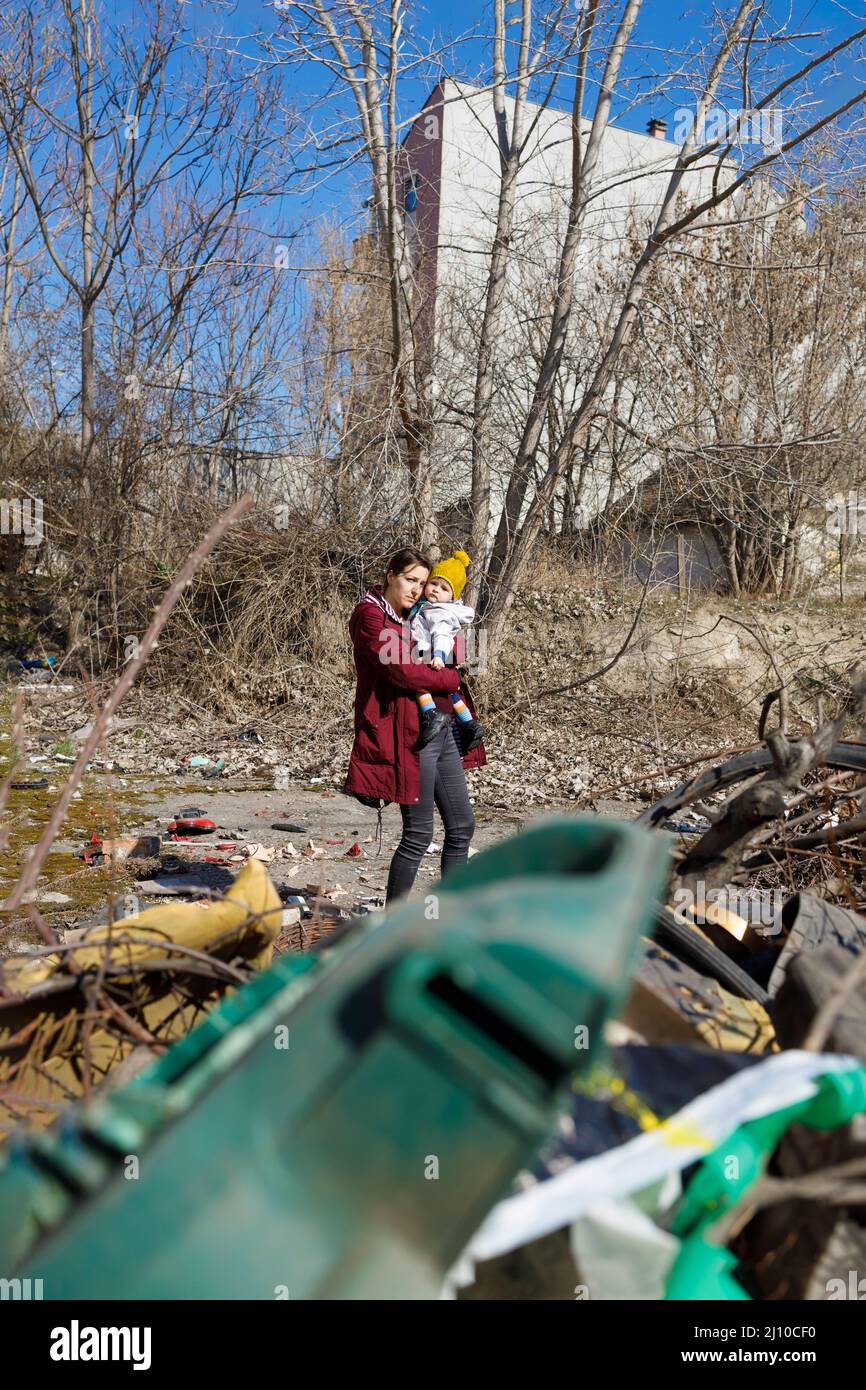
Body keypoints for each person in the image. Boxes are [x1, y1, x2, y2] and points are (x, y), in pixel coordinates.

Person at [345, 546, 487, 903]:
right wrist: (450, 681)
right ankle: (396, 926)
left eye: (423, 583)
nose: (417, 589)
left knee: (461, 827)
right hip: (410, 734)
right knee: (419, 833)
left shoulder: (416, 615)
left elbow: (460, 652)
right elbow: (402, 671)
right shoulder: (371, 615)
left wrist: (452, 665)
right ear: (390, 574)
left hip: (442, 729)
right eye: (410, 580)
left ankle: (448, 919)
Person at [409, 548, 486, 752]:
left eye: (444, 588)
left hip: (431, 654)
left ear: (452, 596)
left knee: (419, 686)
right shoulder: (430, 606)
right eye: (434, 583)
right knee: (452, 692)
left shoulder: (439, 612)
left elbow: (441, 635)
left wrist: (438, 656)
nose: (435, 589)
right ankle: (469, 724)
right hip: (434, 654)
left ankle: (430, 713)